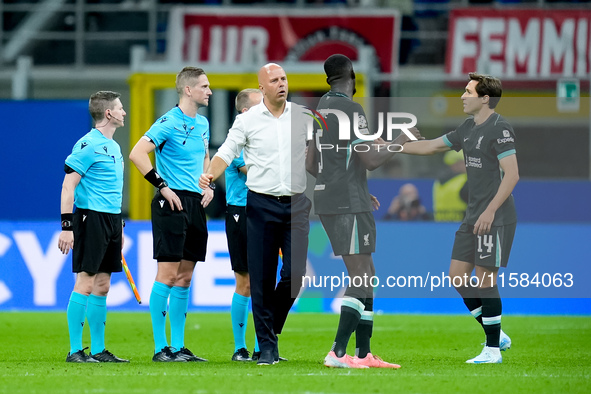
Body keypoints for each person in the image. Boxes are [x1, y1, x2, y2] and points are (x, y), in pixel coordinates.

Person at [306, 54, 420, 369]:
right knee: (360, 275)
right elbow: (370, 159)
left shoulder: (321, 110)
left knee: (367, 274)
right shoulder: (351, 109)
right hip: (347, 202)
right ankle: (338, 353)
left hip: (333, 198)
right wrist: (400, 140)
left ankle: (363, 353)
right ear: (352, 77)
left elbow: (311, 163)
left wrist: (351, 183)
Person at [401, 72, 519, 364]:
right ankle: (497, 333)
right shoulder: (467, 128)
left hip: (496, 216)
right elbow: (430, 146)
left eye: (468, 91)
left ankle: (492, 350)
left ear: (484, 98)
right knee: (457, 276)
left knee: (485, 280)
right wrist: (391, 147)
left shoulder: (500, 127)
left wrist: (490, 211)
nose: (463, 96)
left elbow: (513, 174)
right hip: (473, 217)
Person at [199, 63, 311, 366]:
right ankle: (267, 348)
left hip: (298, 203)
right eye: (274, 80)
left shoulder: (303, 116)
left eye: (284, 79)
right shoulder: (247, 121)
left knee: (295, 277)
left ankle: (269, 331)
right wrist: (209, 176)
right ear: (262, 88)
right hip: (261, 204)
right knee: (260, 278)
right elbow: (225, 151)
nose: (281, 84)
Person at [129, 67, 214, 362]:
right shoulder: (167, 122)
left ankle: (178, 347)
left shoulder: (203, 123)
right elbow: (137, 153)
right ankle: (160, 348)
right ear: (188, 90)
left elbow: (205, 156)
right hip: (171, 201)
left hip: (194, 202)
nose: (210, 91)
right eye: (204, 86)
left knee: (186, 277)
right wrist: (162, 187)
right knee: (167, 275)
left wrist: (208, 182)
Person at [58, 91, 129, 363]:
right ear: (108, 113)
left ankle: (98, 350)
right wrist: (67, 226)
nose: (124, 112)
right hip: (90, 218)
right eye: (120, 108)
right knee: (85, 282)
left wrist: (119, 225)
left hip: (111, 220)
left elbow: (111, 191)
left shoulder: (114, 145)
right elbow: (68, 185)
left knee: (102, 285)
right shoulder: (87, 145)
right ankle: (75, 350)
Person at [225, 88, 263, 362]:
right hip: (242, 213)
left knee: (263, 282)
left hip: (266, 211)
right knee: (245, 281)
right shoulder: (236, 141)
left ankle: (265, 347)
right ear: (245, 111)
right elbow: (256, 172)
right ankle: (240, 348)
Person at [433, 149, 468, 222]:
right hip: (462, 225)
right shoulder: (465, 180)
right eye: (466, 162)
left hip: (440, 224)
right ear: (456, 164)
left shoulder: (438, 182)